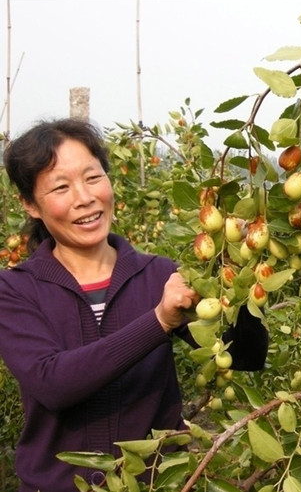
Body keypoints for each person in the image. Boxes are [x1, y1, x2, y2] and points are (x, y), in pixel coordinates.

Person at [0, 118, 268, 491]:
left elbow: (247, 357)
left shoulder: (159, 275)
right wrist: (158, 322)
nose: (84, 198)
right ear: (30, 204)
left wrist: (235, 273)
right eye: (61, 187)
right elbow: (52, 384)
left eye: (93, 178)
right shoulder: (14, 289)